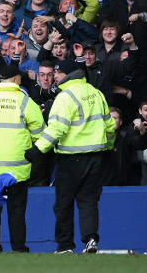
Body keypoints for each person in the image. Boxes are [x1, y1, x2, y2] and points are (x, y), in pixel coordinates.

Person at [24, 59, 115, 254]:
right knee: (88, 201)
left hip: (71, 158)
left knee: (63, 204)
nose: (54, 76)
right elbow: (109, 125)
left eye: (57, 73)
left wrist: (37, 149)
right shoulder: (96, 93)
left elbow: (56, 129)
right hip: (97, 157)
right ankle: (90, 240)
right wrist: (109, 146)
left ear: (68, 74)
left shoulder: (65, 97)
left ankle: (65, 246)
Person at [0, 64, 45, 252]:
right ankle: (19, 248)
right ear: (14, 79)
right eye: (20, 77)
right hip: (17, 169)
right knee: (17, 210)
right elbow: (40, 133)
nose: (21, 79)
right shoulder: (24, 101)